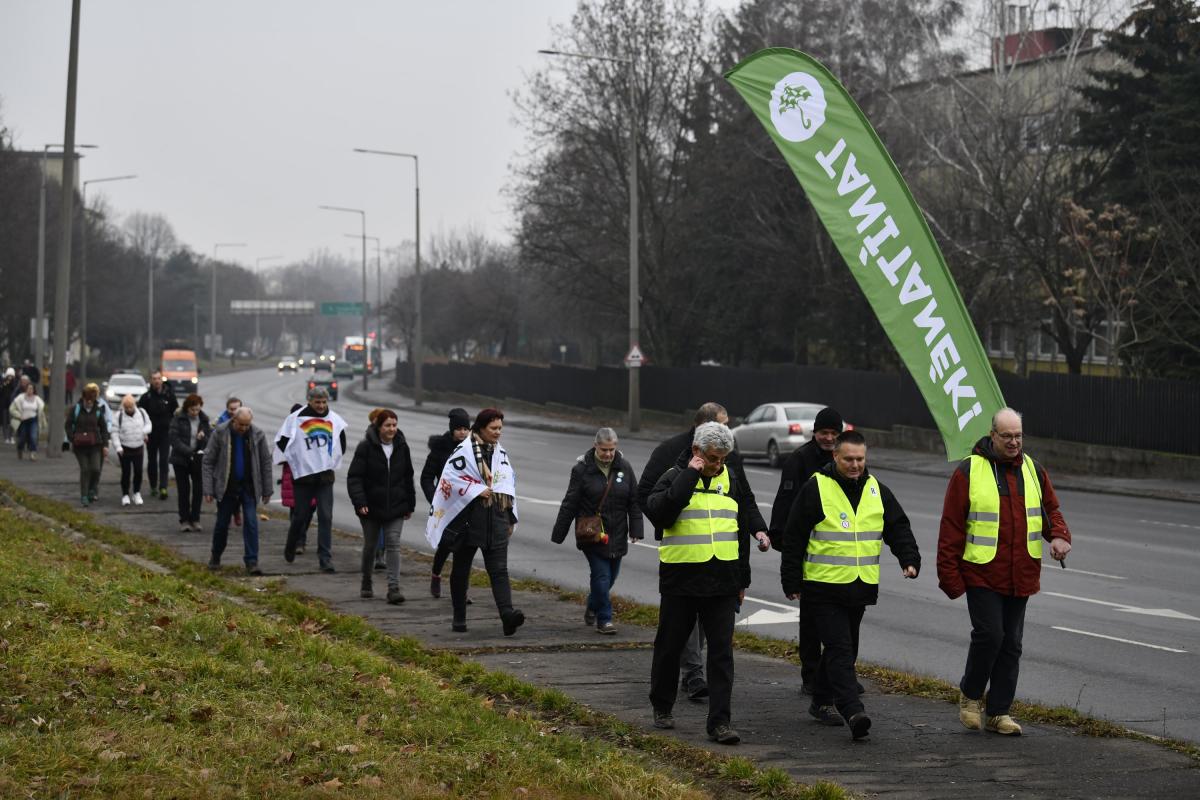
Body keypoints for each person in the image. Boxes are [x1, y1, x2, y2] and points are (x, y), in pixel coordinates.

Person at [937, 407, 1072, 736]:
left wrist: (1058, 535)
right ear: (992, 435)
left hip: (1021, 572)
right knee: (990, 636)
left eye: (1018, 436)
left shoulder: (1033, 470)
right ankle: (970, 695)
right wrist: (950, 577)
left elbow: (1049, 509)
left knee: (1011, 644)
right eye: (1007, 436)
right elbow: (952, 526)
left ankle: (999, 712)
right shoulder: (969, 471)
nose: (1014, 442)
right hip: (982, 572)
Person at [780, 430, 920, 741]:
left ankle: (819, 700)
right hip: (822, 586)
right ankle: (852, 710)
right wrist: (790, 578)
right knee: (840, 649)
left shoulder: (876, 490)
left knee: (846, 649)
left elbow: (897, 527)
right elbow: (794, 536)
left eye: (860, 459)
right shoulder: (816, 487)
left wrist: (908, 558)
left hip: (859, 586)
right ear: (835, 457)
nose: (855, 465)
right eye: (848, 459)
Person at [637, 401, 768, 703]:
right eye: (722, 424)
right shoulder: (671, 454)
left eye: (723, 458)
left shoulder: (729, 463)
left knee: (720, 648)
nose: (719, 463)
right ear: (699, 441)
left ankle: (719, 718)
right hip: (682, 568)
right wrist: (667, 521)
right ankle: (681, 686)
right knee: (673, 640)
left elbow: (743, 505)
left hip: (721, 572)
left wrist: (758, 533)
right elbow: (649, 497)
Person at [426, 408, 524, 636]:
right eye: (493, 428)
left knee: (499, 571)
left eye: (500, 428)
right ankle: (459, 617)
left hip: (496, 520)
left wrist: (510, 516)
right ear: (480, 428)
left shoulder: (501, 454)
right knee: (461, 571)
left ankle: (507, 616)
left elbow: (508, 485)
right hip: (467, 523)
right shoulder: (464, 452)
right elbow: (450, 479)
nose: (498, 432)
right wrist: (476, 489)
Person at [769, 406, 845, 695]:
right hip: (809, 552)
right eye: (824, 432)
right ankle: (811, 676)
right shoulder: (799, 461)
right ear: (815, 432)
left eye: (833, 433)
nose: (828, 438)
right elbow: (786, 502)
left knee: (843, 620)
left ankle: (839, 674)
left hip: (839, 553)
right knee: (812, 619)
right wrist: (783, 541)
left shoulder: (846, 461)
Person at [551, 427, 644, 634]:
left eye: (612, 449)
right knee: (601, 576)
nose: (608, 454)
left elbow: (634, 500)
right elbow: (570, 502)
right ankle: (605, 619)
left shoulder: (624, 467)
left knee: (610, 577)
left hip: (617, 532)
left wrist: (636, 528)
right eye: (604, 449)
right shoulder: (582, 470)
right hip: (591, 534)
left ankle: (592, 604)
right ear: (596, 446)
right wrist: (559, 532)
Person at [347, 409, 416, 603]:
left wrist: (409, 504)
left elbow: (407, 477)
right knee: (370, 546)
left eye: (395, 425)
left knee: (393, 544)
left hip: (396, 506)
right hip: (370, 507)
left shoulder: (402, 447)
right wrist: (360, 502)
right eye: (388, 425)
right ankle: (366, 581)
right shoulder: (366, 448)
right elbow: (355, 477)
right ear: (379, 427)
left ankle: (393, 587)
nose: (392, 429)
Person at [279, 385, 348, 573]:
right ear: (309, 401)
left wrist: (329, 459)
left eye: (324, 402)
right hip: (303, 478)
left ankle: (325, 558)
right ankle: (291, 544)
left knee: (326, 517)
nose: (321, 406)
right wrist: (299, 459)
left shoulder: (334, 420)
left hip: (325, 478)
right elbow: (282, 442)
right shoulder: (295, 419)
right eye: (317, 402)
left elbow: (342, 444)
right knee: (300, 516)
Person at [202, 407, 274, 574]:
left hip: (249, 487)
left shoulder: (257, 435)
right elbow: (208, 461)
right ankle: (216, 556)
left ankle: (252, 561)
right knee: (222, 524)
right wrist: (208, 489)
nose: (244, 428)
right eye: (241, 425)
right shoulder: (220, 433)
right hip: (227, 487)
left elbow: (265, 462)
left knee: (251, 523)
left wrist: (267, 489)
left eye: (247, 425)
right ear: (233, 420)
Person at [420, 407, 472, 598]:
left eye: (466, 429)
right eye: (459, 428)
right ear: (452, 429)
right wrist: (434, 497)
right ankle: (436, 574)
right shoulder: (440, 448)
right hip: (445, 504)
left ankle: (462, 591)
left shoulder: (472, 448)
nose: (463, 432)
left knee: (466, 548)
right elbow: (426, 477)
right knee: (446, 544)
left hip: (467, 505)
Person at [169, 394, 211, 532]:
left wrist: (202, 439)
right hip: (181, 458)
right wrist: (188, 452)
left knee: (198, 489)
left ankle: (196, 518)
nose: (195, 413)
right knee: (183, 489)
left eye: (197, 410)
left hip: (198, 458)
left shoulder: (204, 420)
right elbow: (174, 439)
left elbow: (210, 440)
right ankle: (184, 519)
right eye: (193, 410)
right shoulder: (178, 419)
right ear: (187, 408)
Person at [65, 383, 110, 506]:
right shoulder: (76, 409)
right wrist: (72, 438)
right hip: (80, 446)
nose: (89, 402)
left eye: (92, 400)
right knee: (85, 469)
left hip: (95, 445)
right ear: (83, 398)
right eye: (87, 400)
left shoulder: (98, 410)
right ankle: (84, 495)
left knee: (95, 469)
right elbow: (68, 425)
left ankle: (92, 489)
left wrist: (105, 445)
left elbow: (104, 428)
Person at [139, 371, 179, 500]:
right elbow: (140, 416)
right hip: (151, 434)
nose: (156, 381)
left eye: (158, 378)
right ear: (151, 381)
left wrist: (174, 428)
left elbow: (176, 413)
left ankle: (163, 487)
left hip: (165, 433)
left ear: (162, 380)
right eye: (154, 379)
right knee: (152, 461)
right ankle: (153, 486)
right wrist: (143, 432)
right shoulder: (146, 397)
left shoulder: (170, 395)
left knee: (163, 460)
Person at [111, 394, 153, 506]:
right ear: (123, 407)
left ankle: (136, 492)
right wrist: (118, 447)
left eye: (131, 407)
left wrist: (144, 431)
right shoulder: (119, 416)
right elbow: (114, 432)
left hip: (138, 447)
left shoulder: (142, 413)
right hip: (124, 449)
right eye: (127, 407)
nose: (129, 409)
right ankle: (125, 494)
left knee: (139, 471)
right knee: (126, 472)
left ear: (134, 405)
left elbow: (149, 424)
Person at [10, 379, 47, 460]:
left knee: (33, 437)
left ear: (34, 390)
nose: (30, 390)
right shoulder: (20, 398)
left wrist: (42, 421)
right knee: (22, 438)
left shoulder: (37, 399)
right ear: (26, 389)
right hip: (23, 421)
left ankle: (32, 453)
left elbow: (41, 411)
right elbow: (12, 409)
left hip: (33, 420)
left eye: (32, 389)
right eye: (29, 388)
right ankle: (20, 449)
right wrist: (19, 415)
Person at [0, 367, 16, 443]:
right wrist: (5, 382)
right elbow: (1, 389)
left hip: (12, 404)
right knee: (4, 421)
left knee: (11, 421)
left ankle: (11, 436)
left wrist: (11, 381)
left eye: (11, 375)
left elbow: (14, 389)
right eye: (9, 375)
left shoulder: (15, 382)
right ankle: (6, 437)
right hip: (3, 404)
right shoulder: (3, 381)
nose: (10, 377)